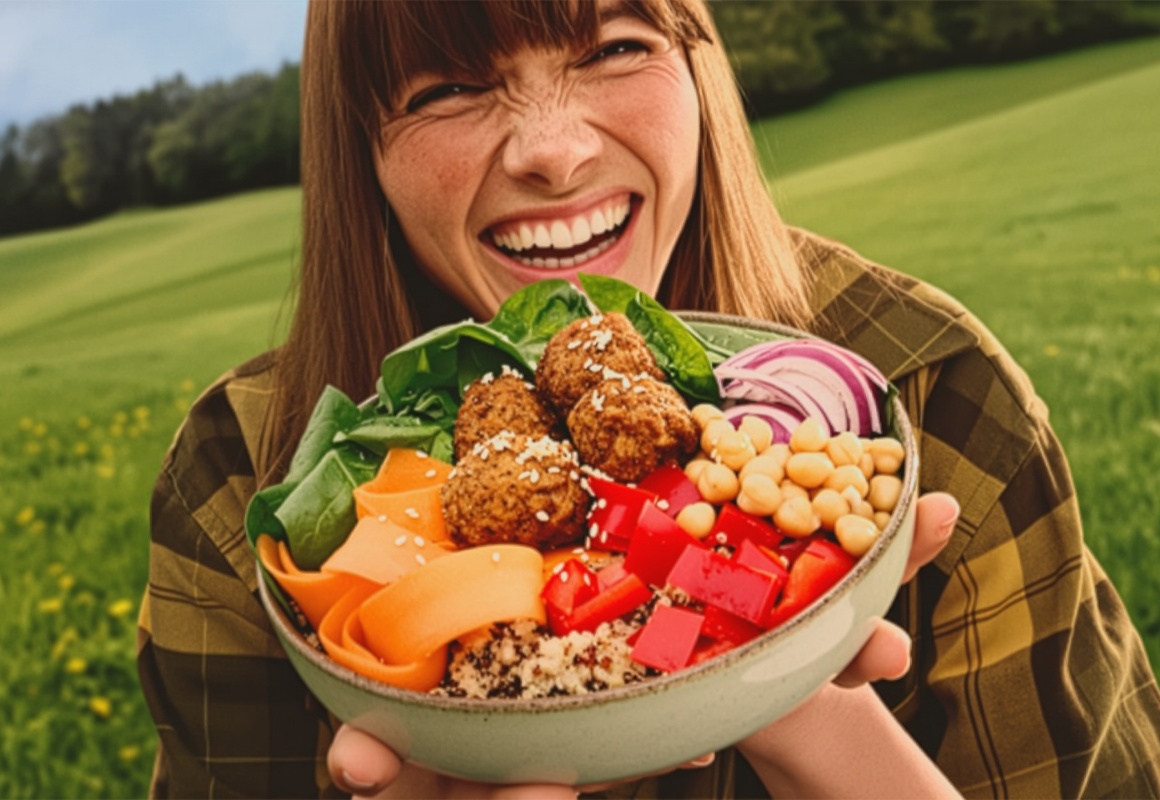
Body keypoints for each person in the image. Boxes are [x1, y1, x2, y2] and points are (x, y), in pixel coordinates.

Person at [137, 1, 1160, 798]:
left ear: (698, 60)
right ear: (358, 141)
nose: (553, 149)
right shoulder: (239, 473)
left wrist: (795, 702)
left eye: (613, 47)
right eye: (447, 84)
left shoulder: (932, 391)